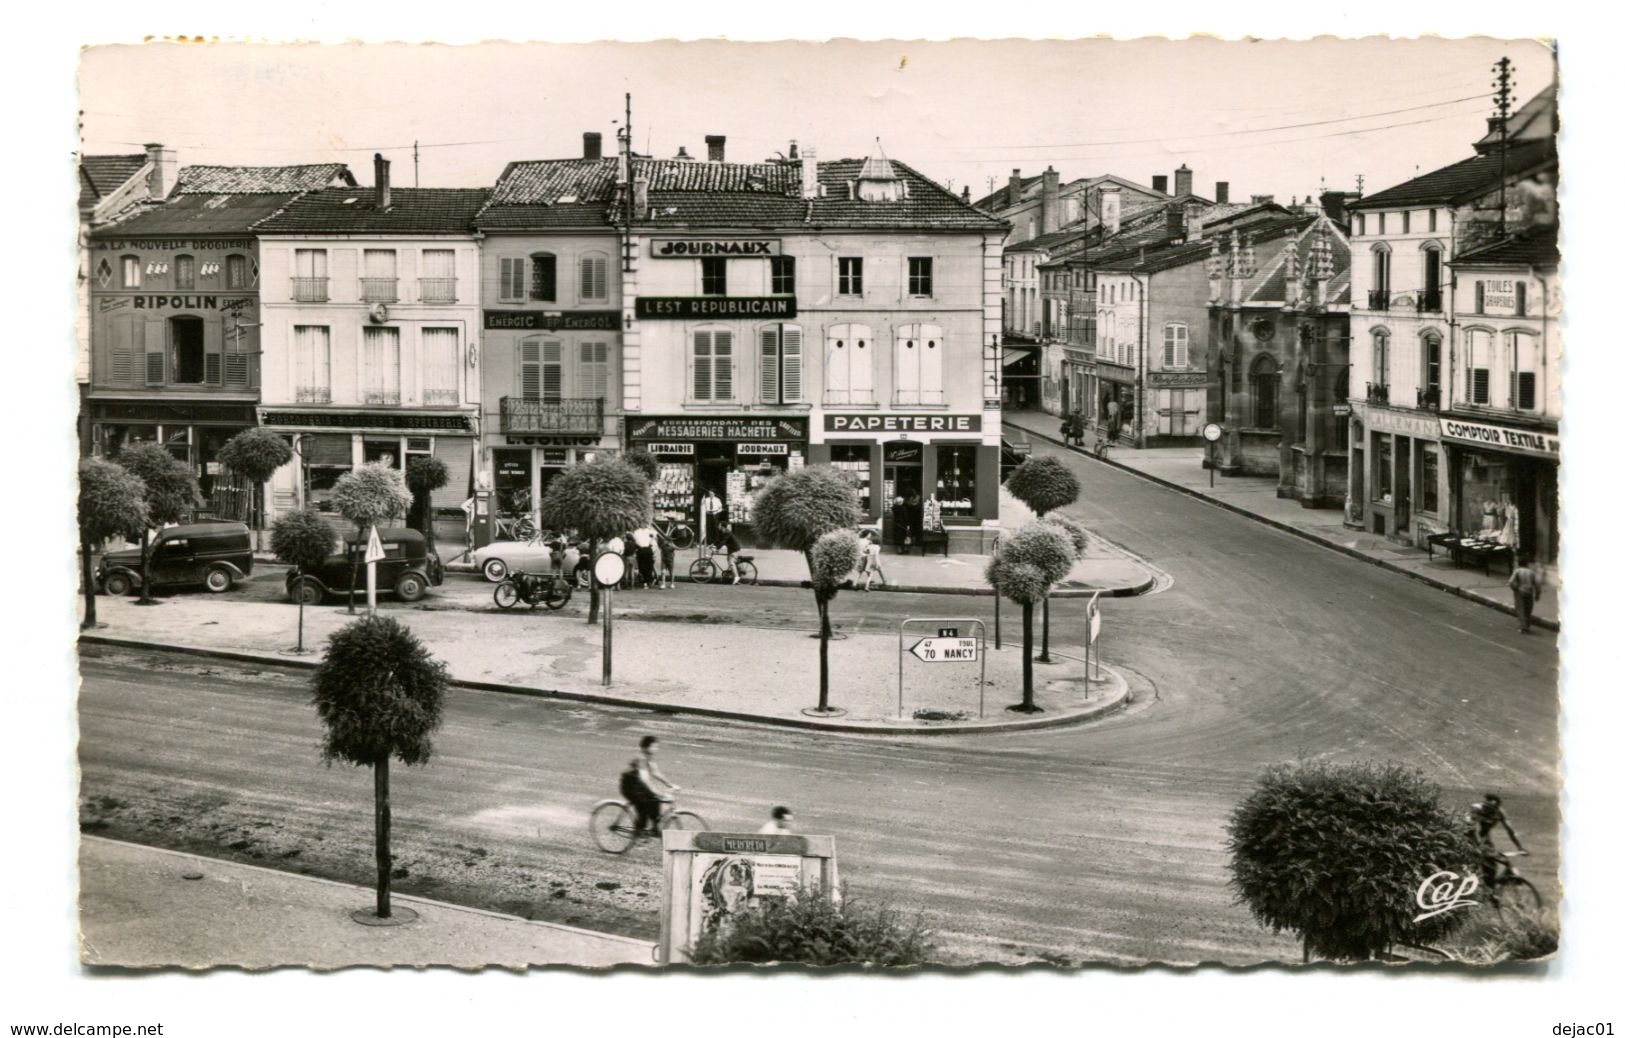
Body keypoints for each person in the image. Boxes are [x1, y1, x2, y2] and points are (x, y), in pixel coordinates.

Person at [620, 735, 680, 837]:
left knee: (655, 800)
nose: (656, 749)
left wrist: (670, 784)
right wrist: (656, 791)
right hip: (629, 787)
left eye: (657, 746)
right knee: (643, 808)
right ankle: (638, 832)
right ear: (645, 747)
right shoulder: (641, 758)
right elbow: (645, 778)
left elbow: (656, 773)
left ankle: (654, 828)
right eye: (654, 746)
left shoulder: (649, 757)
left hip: (638, 786)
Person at [1468, 793, 1526, 889]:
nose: (1488, 811)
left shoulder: (1499, 812)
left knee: (1491, 868)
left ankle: (1490, 892)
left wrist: (1520, 847)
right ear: (1483, 804)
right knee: (1477, 860)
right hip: (1470, 836)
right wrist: (1479, 847)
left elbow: (1510, 831)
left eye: (1492, 809)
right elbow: (1472, 829)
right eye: (1486, 808)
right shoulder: (1476, 809)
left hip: (1485, 839)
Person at [1508, 555, 1540, 634]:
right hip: (1529, 592)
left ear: (1519, 563)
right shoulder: (1531, 572)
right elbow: (1537, 584)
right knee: (1528, 609)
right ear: (1527, 564)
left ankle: (1523, 627)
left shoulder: (1517, 571)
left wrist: (1515, 588)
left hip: (1520, 591)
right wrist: (1537, 594)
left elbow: (1511, 582)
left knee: (1520, 609)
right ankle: (1527, 625)